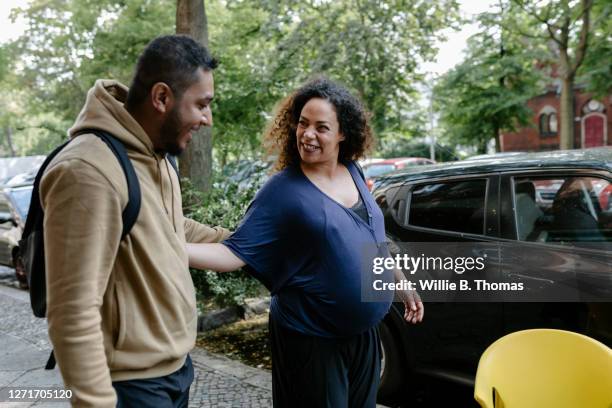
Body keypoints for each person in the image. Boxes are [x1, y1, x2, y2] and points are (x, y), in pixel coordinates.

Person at [187, 78, 424, 407]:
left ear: (343, 133)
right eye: (303, 123)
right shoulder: (283, 191)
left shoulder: (352, 171)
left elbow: (371, 238)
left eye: (321, 127)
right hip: (313, 340)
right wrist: (166, 248)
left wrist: (400, 282)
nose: (308, 134)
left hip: (364, 337)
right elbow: (233, 253)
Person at [41, 35, 230, 407]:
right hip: (131, 385)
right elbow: (72, 311)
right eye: (202, 105)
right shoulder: (87, 171)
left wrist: (238, 239)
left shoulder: (157, 154)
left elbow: (170, 224)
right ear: (162, 98)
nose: (207, 118)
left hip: (174, 371)